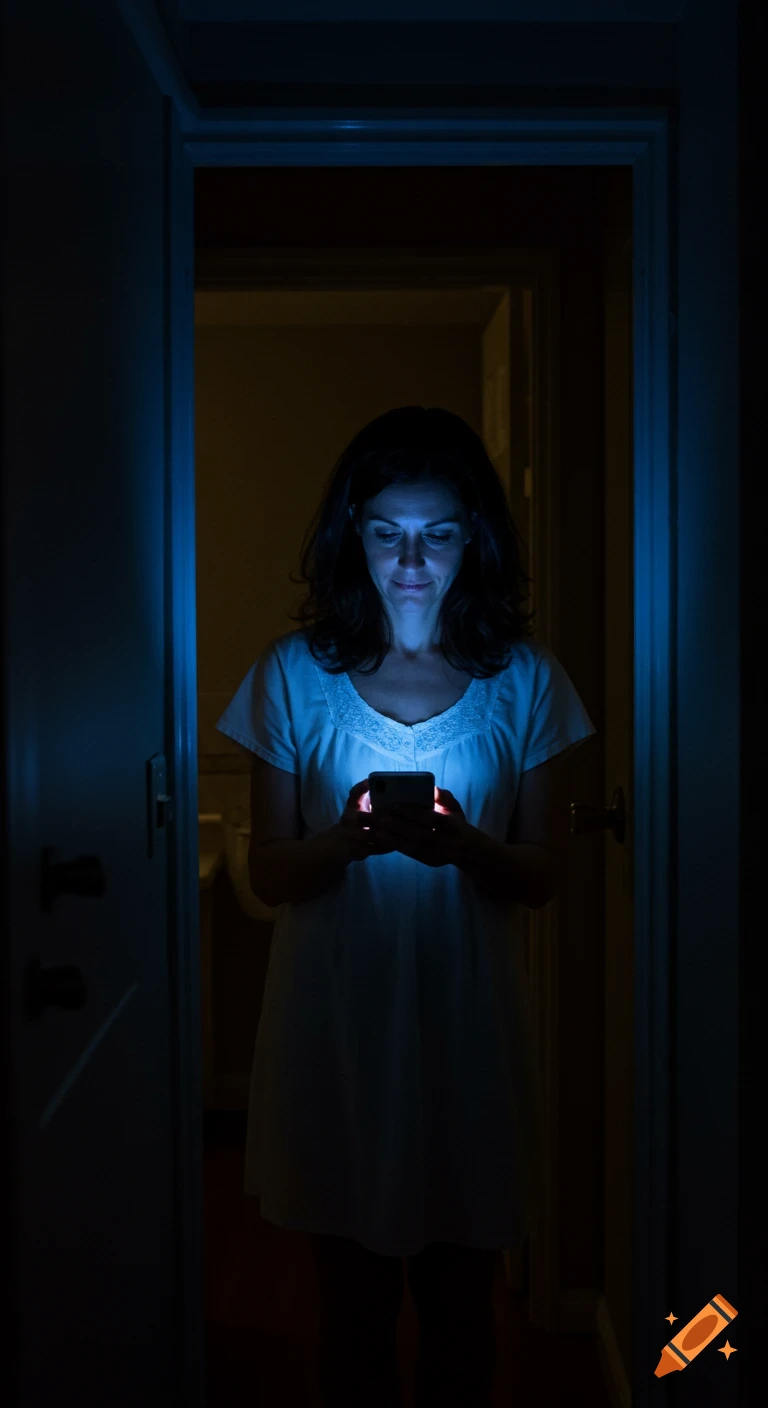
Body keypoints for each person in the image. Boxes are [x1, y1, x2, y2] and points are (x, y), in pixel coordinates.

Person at [215, 406, 597, 1407]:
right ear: (355, 535)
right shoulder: (293, 678)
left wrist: (464, 844)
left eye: (437, 532)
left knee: (465, 1317)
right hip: (334, 1029)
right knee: (348, 1319)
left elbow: (545, 876)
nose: (411, 559)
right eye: (386, 531)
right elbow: (269, 873)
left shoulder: (525, 680)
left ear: (475, 535)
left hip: (464, 1031)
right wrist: (346, 839)